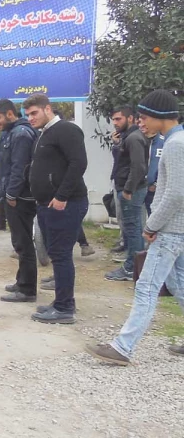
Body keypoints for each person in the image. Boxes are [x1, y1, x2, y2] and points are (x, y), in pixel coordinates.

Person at [86, 90, 184, 365]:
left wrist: (152, 224)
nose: (140, 122)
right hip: (177, 229)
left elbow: (176, 193)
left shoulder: (176, 144)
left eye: (144, 117)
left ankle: (123, 347)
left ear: (160, 116)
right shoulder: (175, 140)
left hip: (170, 231)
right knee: (179, 284)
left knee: (146, 287)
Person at [24, 93, 88, 325]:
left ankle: (64, 307)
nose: (30, 118)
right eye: (28, 115)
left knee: (61, 255)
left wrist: (62, 196)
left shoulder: (66, 130)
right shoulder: (45, 134)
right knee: (56, 255)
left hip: (66, 204)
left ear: (47, 109)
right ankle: (61, 301)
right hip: (46, 205)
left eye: (34, 113)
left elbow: (78, 163)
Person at [0, 99, 38, 303]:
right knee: (19, 242)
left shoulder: (21, 134)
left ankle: (27, 290)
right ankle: (22, 282)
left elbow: (20, 168)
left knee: (23, 243)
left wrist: (11, 194)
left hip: (19, 198)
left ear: (10, 114)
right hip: (12, 195)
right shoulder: (10, 132)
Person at [105, 106, 149, 282]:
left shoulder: (134, 138)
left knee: (133, 229)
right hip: (127, 187)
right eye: (113, 119)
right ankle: (133, 265)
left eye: (118, 119)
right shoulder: (127, 137)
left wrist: (129, 190)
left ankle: (132, 268)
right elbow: (123, 162)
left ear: (130, 118)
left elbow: (138, 167)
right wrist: (116, 145)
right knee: (132, 228)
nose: (115, 123)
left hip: (132, 189)